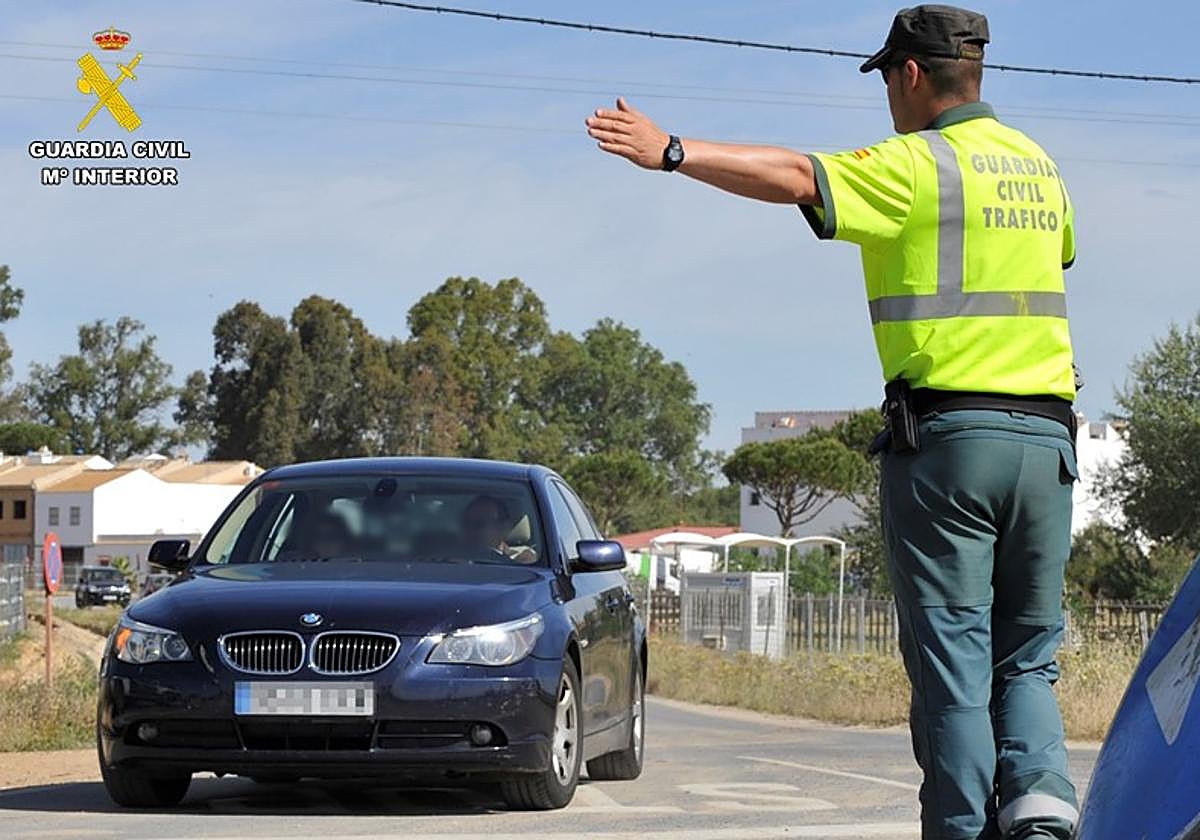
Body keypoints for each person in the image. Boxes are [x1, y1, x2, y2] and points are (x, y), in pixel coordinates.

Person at [586, 6, 1080, 839]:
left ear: (911, 75)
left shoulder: (921, 164)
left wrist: (674, 152)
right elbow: (1055, 256)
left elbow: (797, 175)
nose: (887, 95)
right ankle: (1041, 819)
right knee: (1027, 657)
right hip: (1050, 446)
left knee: (954, 667)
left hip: (951, 444)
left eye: (887, 77)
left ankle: (961, 832)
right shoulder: (1040, 166)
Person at [461, 495, 537, 564]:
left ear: (503, 527)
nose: (470, 529)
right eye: (467, 522)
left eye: (479, 523)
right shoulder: (453, 558)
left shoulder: (521, 558)